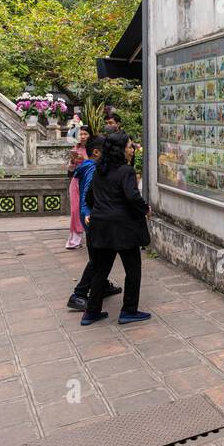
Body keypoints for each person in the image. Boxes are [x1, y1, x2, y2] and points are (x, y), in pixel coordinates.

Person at [81, 132, 152, 326]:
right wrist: (145, 209)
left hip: (101, 226)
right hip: (123, 228)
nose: (132, 149)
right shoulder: (125, 171)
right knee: (133, 269)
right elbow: (132, 196)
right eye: (130, 146)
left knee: (100, 270)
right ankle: (129, 310)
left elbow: (89, 197)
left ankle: (91, 312)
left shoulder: (99, 170)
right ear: (120, 150)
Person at [66, 136, 122, 311]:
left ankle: (102, 285)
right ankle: (78, 294)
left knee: (98, 255)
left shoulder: (89, 166)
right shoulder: (92, 169)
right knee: (98, 258)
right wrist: (88, 214)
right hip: (92, 217)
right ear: (97, 152)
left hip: (91, 216)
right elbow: (88, 195)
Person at [65, 125, 93, 250]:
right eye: (80, 134)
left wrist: (84, 159)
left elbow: (96, 163)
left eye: (85, 134)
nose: (82, 137)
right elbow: (70, 169)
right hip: (76, 182)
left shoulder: (93, 149)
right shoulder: (75, 149)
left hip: (89, 182)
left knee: (87, 209)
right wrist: (72, 161)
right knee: (75, 210)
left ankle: (92, 236)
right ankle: (75, 239)